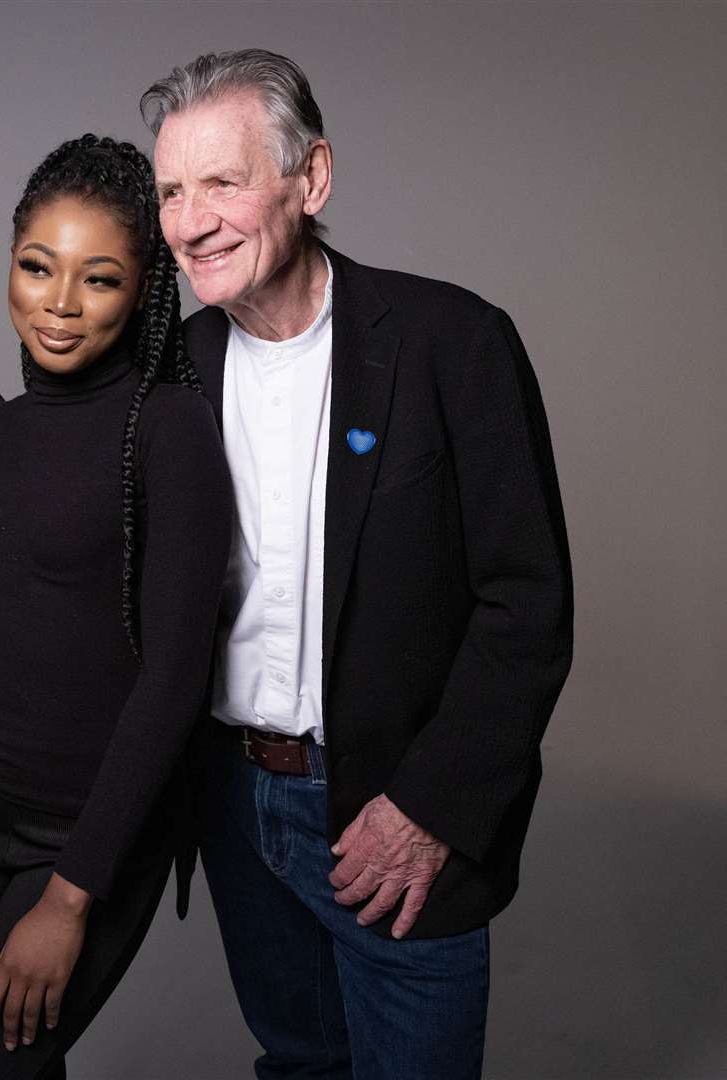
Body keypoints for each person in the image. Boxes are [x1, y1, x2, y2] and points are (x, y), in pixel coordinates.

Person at [150, 49, 573, 1078]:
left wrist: (432, 807)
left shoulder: (453, 343)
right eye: (169, 191)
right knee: (297, 1064)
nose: (189, 220)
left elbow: (526, 604)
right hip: (232, 802)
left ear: (312, 178)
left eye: (221, 182)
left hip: (389, 810)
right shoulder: (169, 368)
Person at [0, 135, 232, 1079]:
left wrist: (69, 897)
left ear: (141, 294)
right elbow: (4, 582)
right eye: (36, 266)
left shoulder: (165, 430)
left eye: (99, 280)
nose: (57, 303)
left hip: (84, 839)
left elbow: (174, 679)